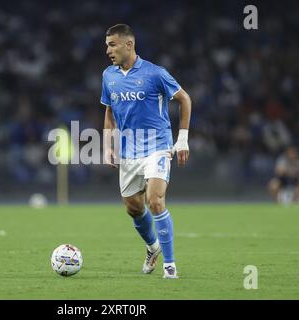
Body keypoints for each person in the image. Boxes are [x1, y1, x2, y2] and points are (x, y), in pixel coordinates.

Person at [101, 24, 191, 279]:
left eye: (113, 44)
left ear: (129, 44)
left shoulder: (155, 73)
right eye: (107, 45)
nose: (108, 50)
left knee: (155, 200)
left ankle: (170, 266)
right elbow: (109, 111)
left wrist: (182, 140)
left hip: (157, 147)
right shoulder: (109, 76)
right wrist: (108, 146)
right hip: (129, 152)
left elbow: (185, 99)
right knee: (133, 207)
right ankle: (153, 247)